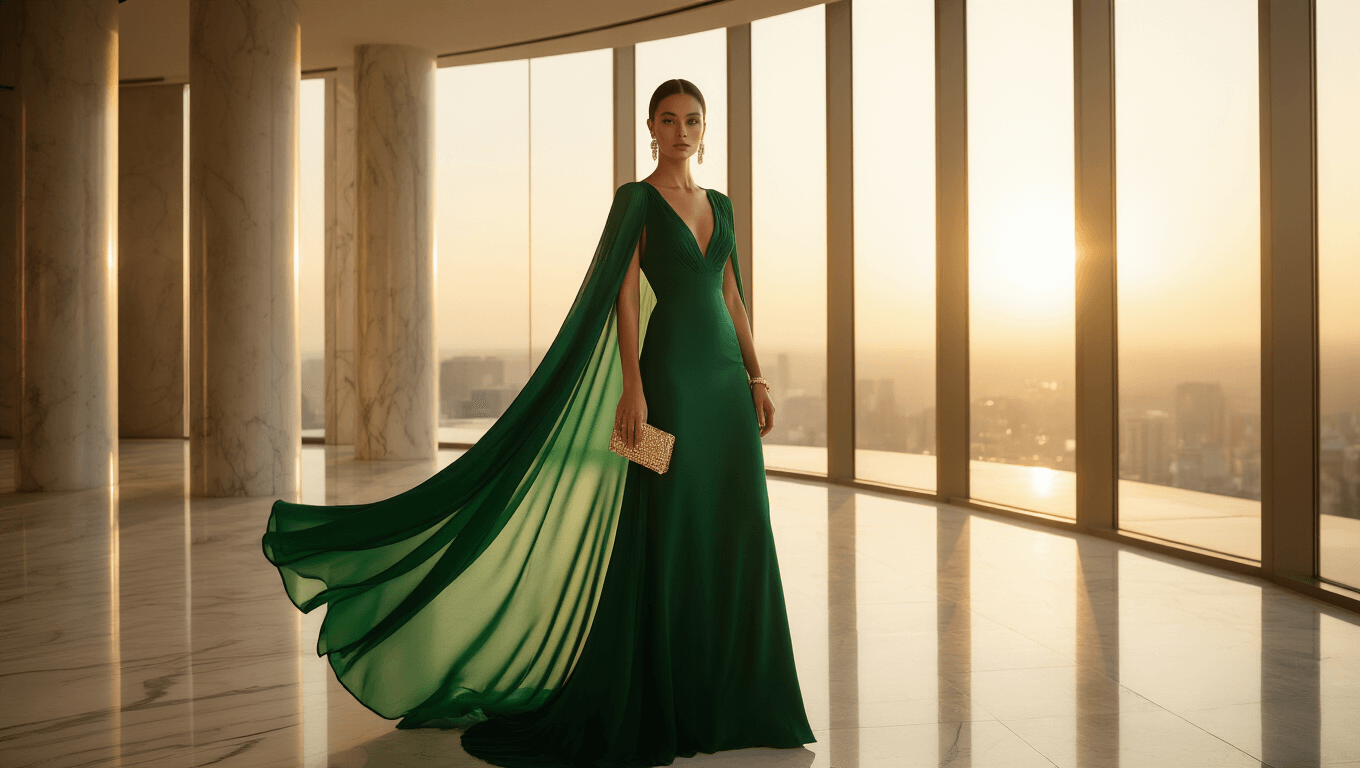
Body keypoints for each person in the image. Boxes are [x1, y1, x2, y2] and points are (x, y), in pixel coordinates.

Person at [262, 78, 815, 767]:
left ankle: (739, 696)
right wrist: (633, 389)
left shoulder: (722, 206)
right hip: (667, 383)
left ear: (706, 129)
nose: (681, 131)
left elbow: (731, 293)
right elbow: (625, 300)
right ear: (651, 127)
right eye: (668, 120)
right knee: (662, 529)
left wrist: (756, 377)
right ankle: (664, 695)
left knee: (738, 529)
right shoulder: (635, 201)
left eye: (692, 121)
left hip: (726, 391)